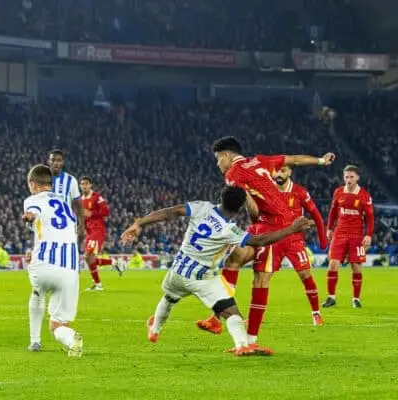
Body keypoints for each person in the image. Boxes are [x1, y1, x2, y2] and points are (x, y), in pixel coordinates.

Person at [121, 186, 313, 356]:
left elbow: (170, 212)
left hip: (177, 272)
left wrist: (139, 224)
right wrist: (291, 228)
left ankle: (155, 329)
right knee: (233, 314)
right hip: (202, 279)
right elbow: (259, 241)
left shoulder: (201, 207)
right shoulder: (229, 229)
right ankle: (242, 346)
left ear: (220, 198)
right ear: (239, 209)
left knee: (169, 298)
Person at [196, 136, 334, 351]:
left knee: (260, 280)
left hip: (276, 226)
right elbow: (294, 158)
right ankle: (216, 317)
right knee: (233, 259)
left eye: (217, 160)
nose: (217, 165)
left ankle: (250, 342)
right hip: (265, 223)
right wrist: (321, 161)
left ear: (226, 155)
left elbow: (250, 205)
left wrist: (254, 223)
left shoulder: (233, 174)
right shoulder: (260, 161)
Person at [23, 164, 83, 356]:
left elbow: (33, 213)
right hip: (70, 270)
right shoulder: (66, 205)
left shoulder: (32, 200)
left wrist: (29, 217)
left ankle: (34, 341)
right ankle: (70, 336)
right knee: (57, 325)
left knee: (37, 292)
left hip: (44, 265)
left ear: (33, 184)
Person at [272, 166, 327, 325]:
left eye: (283, 171)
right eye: (276, 171)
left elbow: (316, 215)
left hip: (294, 241)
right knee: (262, 277)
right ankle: (254, 316)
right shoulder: (268, 191)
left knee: (306, 276)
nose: (279, 174)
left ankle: (316, 313)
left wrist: (322, 238)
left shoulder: (299, 192)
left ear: (289, 172)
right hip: (273, 240)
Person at [323, 165, 374, 308]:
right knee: (332, 264)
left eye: (351, 177)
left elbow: (370, 218)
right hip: (340, 232)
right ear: (343, 177)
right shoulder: (338, 192)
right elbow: (333, 212)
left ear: (357, 177)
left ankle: (356, 299)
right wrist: (329, 228)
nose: (349, 180)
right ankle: (331, 297)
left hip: (357, 235)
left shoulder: (364, 195)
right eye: (346, 177)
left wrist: (368, 235)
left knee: (356, 266)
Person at [79, 176, 121, 291]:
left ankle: (98, 284)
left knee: (88, 256)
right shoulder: (81, 199)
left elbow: (106, 211)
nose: (84, 186)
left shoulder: (97, 197)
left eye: (86, 183)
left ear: (91, 185)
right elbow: (84, 216)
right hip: (89, 231)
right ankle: (99, 282)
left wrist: (91, 214)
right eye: (82, 184)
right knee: (88, 258)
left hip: (98, 230)